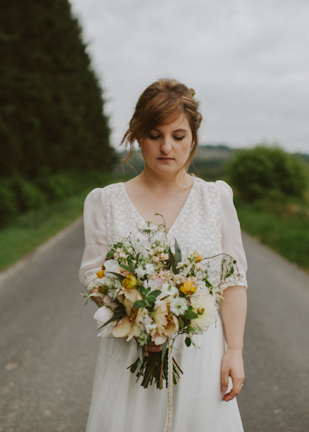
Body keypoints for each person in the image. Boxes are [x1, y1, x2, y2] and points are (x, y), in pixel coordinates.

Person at [78, 78, 248, 432]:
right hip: (130, 352)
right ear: (138, 137)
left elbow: (232, 281)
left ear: (193, 139)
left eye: (178, 136)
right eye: (155, 135)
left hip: (201, 356)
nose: (166, 146)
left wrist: (235, 351)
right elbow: (93, 273)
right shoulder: (104, 201)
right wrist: (136, 312)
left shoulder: (215, 198)